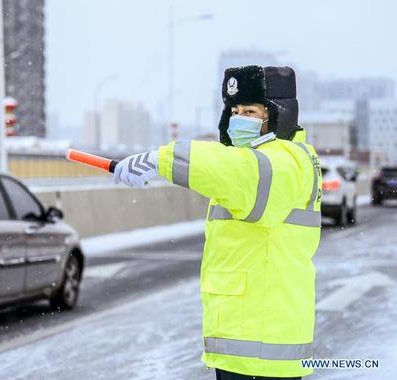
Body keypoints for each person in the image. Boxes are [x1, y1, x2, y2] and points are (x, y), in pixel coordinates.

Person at [113, 65, 322, 379]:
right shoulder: (250, 158)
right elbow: (230, 170)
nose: (239, 118)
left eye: (250, 110)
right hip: (243, 347)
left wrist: (162, 160)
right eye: (234, 110)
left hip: (265, 349)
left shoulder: (288, 160)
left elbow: (237, 172)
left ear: (279, 114)